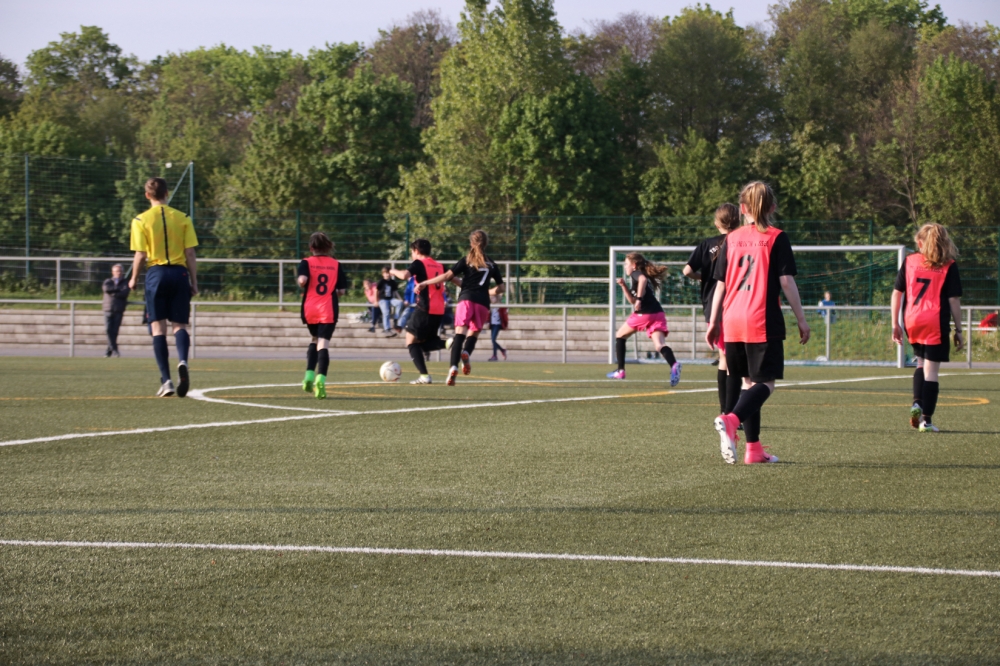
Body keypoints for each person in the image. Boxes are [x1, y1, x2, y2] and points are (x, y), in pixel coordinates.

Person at [707, 181, 810, 464]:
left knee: (748, 383)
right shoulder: (777, 237)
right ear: (772, 207)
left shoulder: (731, 238)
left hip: (732, 319)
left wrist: (713, 321)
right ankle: (731, 419)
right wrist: (801, 319)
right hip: (760, 319)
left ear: (742, 208)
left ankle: (753, 449)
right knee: (767, 384)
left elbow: (720, 283)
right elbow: (786, 281)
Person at [128, 177, 199, 398]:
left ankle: (166, 381)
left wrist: (133, 279)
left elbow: (141, 254)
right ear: (167, 193)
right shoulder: (183, 218)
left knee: (158, 329)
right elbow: (190, 253)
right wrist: (194, 281)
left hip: (156, 274)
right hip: (179, 274)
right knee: (180, 326)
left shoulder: (140, 220)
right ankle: (183, 361)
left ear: (147, 195)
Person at [891, 223, 963, 433]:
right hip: (935, 321)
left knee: (920, 363)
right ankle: (927, 421)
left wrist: (895, 323)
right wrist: (959, 330)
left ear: (921, 243)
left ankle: (917, 403)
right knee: (932, 372)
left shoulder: (910, 261)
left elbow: (897, 293)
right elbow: (953, 300)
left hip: (912, 320)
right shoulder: (949, 265)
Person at [416, 229, 505, 386]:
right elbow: (501, 288)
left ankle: (453, 367)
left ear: (471, 243)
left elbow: (447, 276)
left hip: (466, 300)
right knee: (473, 334)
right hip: (482, 303)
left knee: (459, 334)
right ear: (486, 244)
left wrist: (425, 283)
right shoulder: (492, 264)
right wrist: (486, 292)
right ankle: (466, 353)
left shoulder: (466, 260)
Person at [684, 203, 741, 413]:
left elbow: (687, 271)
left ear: (717, 223)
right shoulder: (741, 242)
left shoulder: (707, 244)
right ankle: (731, 412)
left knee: (725, 357)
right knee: (735, 359)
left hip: (713, 306)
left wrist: (705, 277)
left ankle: (726, 411)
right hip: (737, 304)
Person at [607, 253, 681, 386]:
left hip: (645, 314)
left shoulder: (636, 274)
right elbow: (632, 300)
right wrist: (624, 286)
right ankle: (674, 364)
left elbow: (642, 280)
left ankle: (620, 370)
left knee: (620, 335)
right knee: (659, 345)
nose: (625, 267)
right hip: (658, 313)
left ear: (634, 265)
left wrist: (639, 300)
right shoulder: (637, 278)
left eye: (626, 264)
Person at [390, 238, 453, 384]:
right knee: (422, 344)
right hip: (439, 310)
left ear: (416, 251)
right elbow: (454, 279)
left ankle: (424, 376)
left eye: (412, 252)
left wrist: (392, 271)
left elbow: (404, 275)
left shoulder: (419, 263)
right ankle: (448, 343)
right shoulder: (439, 265)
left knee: (410, 340)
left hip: (425, 308)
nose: (412, 255)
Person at [298, 232, 349, 399]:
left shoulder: (306, 262)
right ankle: (320, 380)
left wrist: (302, 281)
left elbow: (302, 280)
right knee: (323, 344)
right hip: (327, 309)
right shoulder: (336, 264)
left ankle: (308, 376)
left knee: (314, 340)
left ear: (311, 248)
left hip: (310, 308)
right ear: (328, 247)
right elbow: (341, 291)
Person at [102, 263, 130, 358]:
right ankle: (114, 350)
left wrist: (114, 292)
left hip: (118, 309)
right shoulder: (108, 281)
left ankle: (109, 351)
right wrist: (118, 290)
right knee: (108, 330)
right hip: (108, 309)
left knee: (114, 331)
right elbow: (107, 289)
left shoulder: (125, 282)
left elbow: (125, 292)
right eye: (117, 271)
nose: (119, 273)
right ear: (113, 272)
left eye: (120, 271)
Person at [376, 267, 402, 337]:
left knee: (399, 303)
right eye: (385, 273)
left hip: (390, 299)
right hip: (383, 299)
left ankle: (396, 319)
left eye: (388, 273)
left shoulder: (392, 282)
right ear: (383, 274)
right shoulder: (381, 281)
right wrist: (376, 300)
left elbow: (395, 291)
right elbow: (377, 290)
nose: (387, 275)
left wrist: (400, 299)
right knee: (386, 312)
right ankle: (387, 329)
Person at [488, 293, 508, 361]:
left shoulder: (500, 306)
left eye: (493, 298)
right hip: (492, 324)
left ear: (496, 298)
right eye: (491, 298)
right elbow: (488, 315)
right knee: (493, 340)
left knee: (493, 340)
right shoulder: (491, 306)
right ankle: (500, 351)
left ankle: (496, 355)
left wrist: (505, 325)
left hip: (497, 324)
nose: (492, 299)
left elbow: (504, 316)